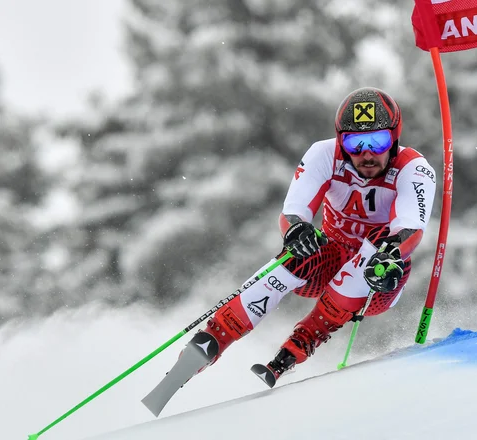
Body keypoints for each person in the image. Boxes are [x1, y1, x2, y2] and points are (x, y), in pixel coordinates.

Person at [187, 86, 436, 387]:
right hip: (329, 262)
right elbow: (294, 211)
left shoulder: (413, 168)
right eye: (355, 143)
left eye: (378, 140)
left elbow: (409, 229)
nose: (367, 153)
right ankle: (214, 336)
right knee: (299, 251)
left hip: (378, 282)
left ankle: (300, 343)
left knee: (381, 245)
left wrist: (391, 253)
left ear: (394, 138)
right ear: (341, 142)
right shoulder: (324, 154)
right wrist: (296, 231)